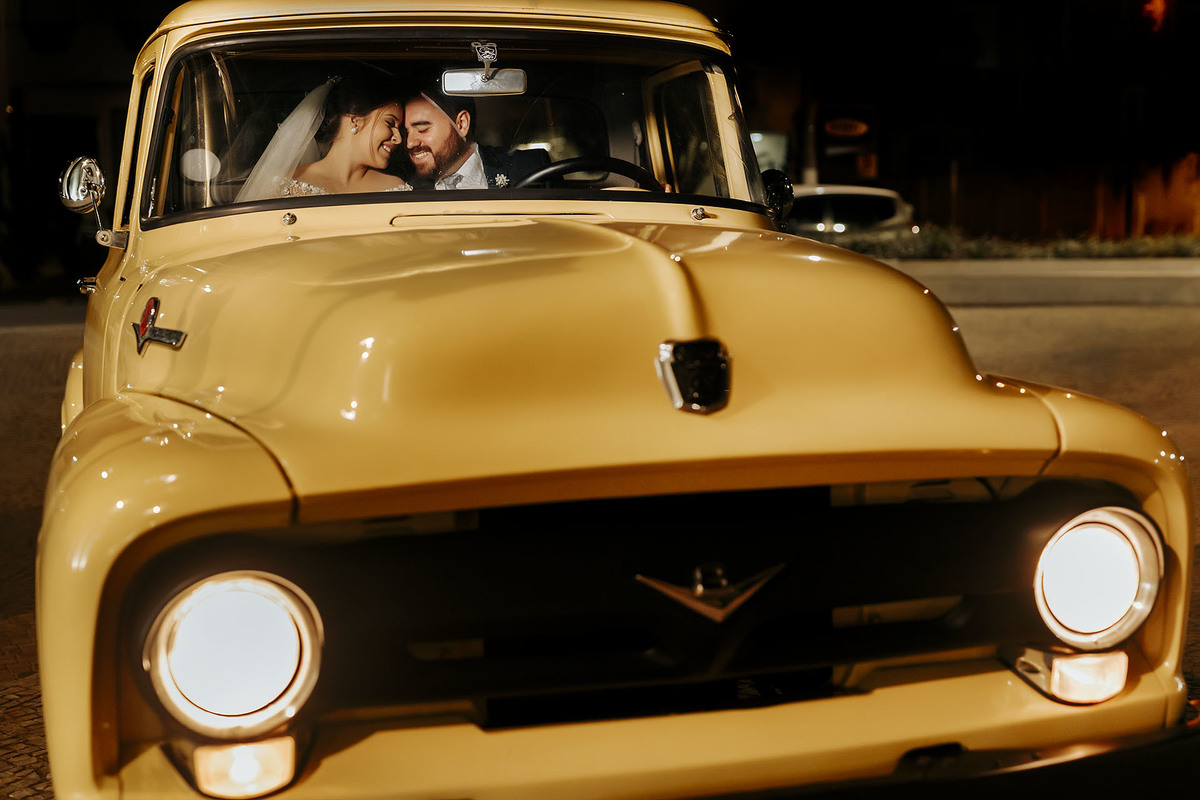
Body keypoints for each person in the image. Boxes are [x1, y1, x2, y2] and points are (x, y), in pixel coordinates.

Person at [237, 73, 412, 202]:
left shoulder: (396, 189)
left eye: (399, 129)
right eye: (390, 123)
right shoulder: (285, 186)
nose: (398, 138)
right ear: (355, 120)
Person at [403, 90, 549, 190]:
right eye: (406, 132)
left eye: (422, 129)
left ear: (462, 124)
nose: (410, 143)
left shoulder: (529, 167)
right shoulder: (406, 187)